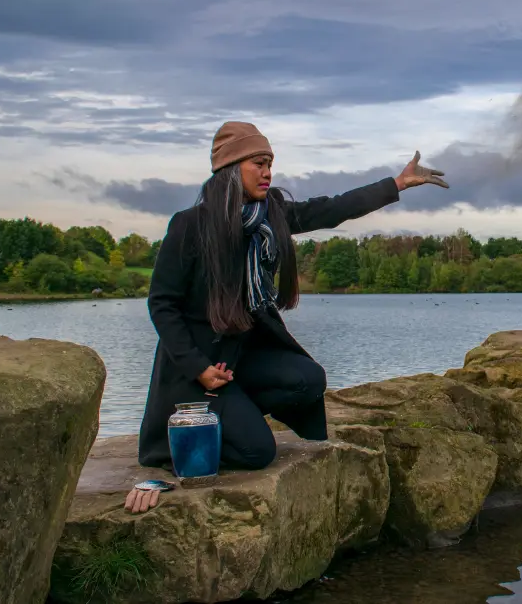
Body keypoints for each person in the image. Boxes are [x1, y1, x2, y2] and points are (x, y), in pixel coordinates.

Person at [124, 121, 447, 513]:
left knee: (307, 379)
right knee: (258, 452)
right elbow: (162, 304)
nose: (267, 173)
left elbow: (330, 209)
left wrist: (396, 184)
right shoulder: (190, 225)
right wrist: (198, 367)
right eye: (258, 164)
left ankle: (235, 409)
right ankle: (191, 434)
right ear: (230, 169)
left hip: (240, 361)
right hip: (198, 371)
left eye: (270, 164)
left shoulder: (269, 215)